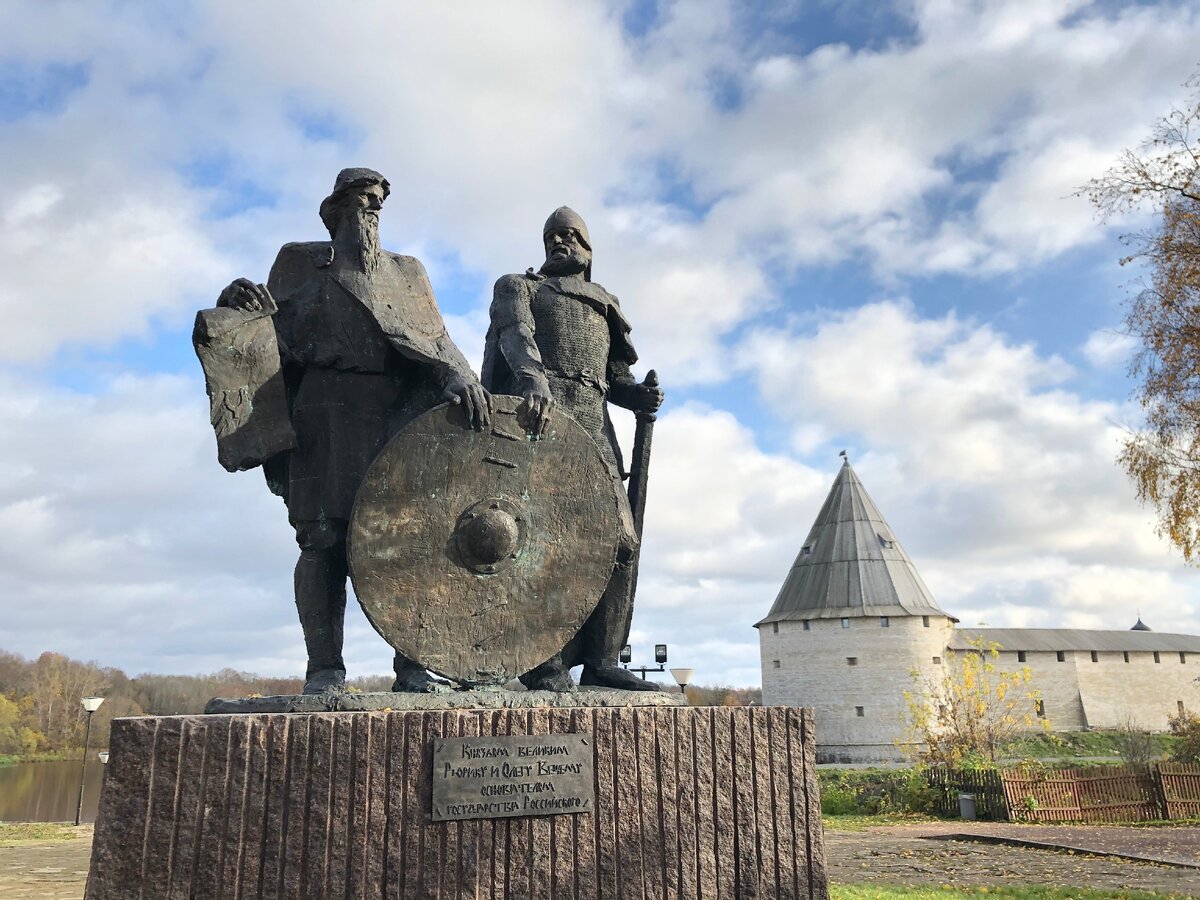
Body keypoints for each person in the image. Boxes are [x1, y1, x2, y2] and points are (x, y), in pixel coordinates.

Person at [209, 168, 491, 694]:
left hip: (396, 412)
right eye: (365, 199)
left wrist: (462, 376)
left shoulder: (407, 273)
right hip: (324, 410)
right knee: (323, 539)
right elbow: (263, 328)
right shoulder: (299, 261)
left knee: (411, 540)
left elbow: (437, 339)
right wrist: (234, 299)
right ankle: (325, 670)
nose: (375, 208)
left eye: (380, 200)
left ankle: (412, 667)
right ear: (336, 208)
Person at [482, 206, 663, 691]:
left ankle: (603, 659)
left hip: (597, 428)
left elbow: (613, 378)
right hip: (542, 423)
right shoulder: (520, 287)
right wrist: (533, 379)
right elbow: (515, 337)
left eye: (569, 236)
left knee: (622, 543)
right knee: (546, 539)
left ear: (587, 247)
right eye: (550, 238)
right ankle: (545, 661)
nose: (558, 244)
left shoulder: (605, 302)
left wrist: (638, 396)